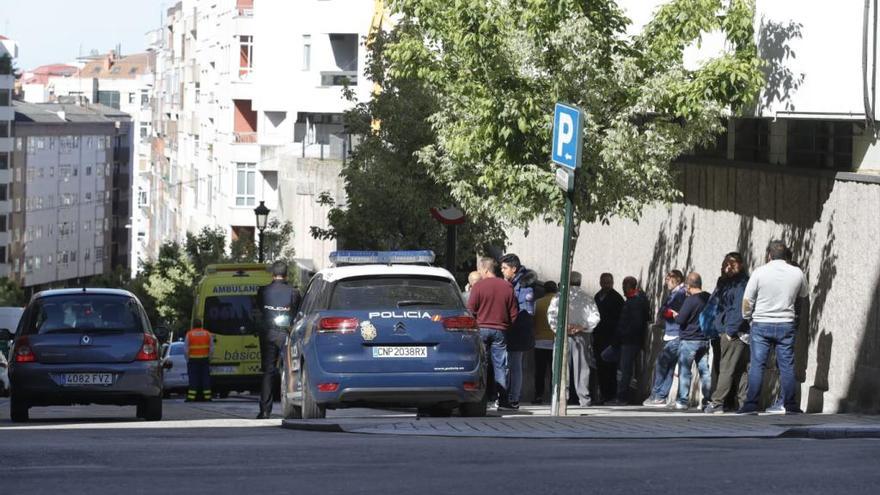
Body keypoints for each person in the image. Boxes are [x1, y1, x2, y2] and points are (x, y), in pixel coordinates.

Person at [738, 241, 808, 415]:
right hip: (786, 323)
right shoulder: (797, 272)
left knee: (757, 365)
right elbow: (803, 295)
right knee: (787, 366)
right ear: (786, 255)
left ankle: (751, 405)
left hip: (761, 323)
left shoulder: (759, 272)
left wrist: (749, 318)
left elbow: (747, 300)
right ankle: (790, 405)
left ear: (769, 255)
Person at [467, 256, 519, 411]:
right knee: (500, 366)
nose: (479, 272)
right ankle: (502, 400)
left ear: (485, 269)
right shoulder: (507, 287)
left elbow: (471, 310)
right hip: (500, 331)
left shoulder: (478, 287)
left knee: (482, 365)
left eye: (480, 269)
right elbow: (514, 313)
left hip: (481, 329)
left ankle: (481, 400)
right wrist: (506, 326)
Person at [703, 252, 751, 414]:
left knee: (727, 368)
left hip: (732, 332)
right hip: (722, 330)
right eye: (726, 264)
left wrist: (730, 330)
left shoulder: (742, 284)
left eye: (733, 264)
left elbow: (740, 308)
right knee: (738, 369)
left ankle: (717, 403)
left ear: (741, 264)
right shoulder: (726, 283)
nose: (728, 267)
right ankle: (742, 402)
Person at [255, 261, 303, 419]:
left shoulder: (262, 291)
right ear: (286, 274)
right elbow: (297, 313)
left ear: (272, 274)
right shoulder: (293, 292)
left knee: (268, 371)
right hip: (286, 334)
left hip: (268, 334)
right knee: (289, 369)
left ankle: (265, 411)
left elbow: (257, 312)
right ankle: (291, 408)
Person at [547, 271, 601, 407]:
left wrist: (561, 328)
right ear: (580, 282)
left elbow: (551, 316)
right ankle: (584, 399)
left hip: (562, 334)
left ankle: (561, 397)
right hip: (581, 335)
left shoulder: (559, 297)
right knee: (582, 367)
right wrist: (581, 327)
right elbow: (595, 317)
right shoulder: (587, 297)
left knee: (560, 366)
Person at [643, 270, 687, 407]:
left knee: (661, 364)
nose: (666, 281)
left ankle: (657, 395)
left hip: (675, 334)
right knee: (668, 367)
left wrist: (665, 312)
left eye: (668, 279)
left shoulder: (679, 294)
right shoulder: (675, 293)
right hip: (672, 334)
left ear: (677, 279)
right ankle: (661, 396)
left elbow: (668, 312)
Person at [499, 254, 537, 410]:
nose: (502, 271)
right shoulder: (512, 283)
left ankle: (514, 398)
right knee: (509, 365)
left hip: (519, 329)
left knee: (515, 365)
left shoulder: (524, 286)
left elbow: (525, 311)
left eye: (504, 268)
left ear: (514, 269)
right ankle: (508, 396)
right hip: (511, 328)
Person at [672, 272, 712, 410]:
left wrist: (675, 315)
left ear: (689, 286)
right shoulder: (709, 297)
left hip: (689, 340)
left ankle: (682, 401)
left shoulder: (690, 300)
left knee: (685, 371)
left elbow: (681, 319)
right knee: (704, 371)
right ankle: (706, 401)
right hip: (704, 339)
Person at [609, 276, 650, 405]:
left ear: (628, 286)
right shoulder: (635, 300)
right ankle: (625, 395)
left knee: (625, 370)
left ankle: (622, 397)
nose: (622, 288)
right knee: (625, 369)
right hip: (630, 340)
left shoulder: (635, 301)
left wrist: (623, 336)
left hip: (630, 341)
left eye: (623, 285)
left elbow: (635, 323)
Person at [594, 273, 624, 403]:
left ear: (612, 283)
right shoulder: (597, 296)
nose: (606, 285)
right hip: (598, 336)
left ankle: (610, 394)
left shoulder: (617, 298)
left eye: (609, 282)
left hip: (611, 337)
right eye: (604, 282)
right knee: (600, 366)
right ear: (600, 282)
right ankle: (603, 393)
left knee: (610, 367)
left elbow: (620, 320)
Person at [531, 281, 558, 404]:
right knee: (554, 371)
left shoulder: (537, 303)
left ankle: (538, 395)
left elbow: (533, 320)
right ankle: (555, 395)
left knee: (540, 372)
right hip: (555, 341)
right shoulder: (559, 303)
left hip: (539, 342)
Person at [184, 319, 213, 402]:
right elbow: (211, 348)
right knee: (205, 378)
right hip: (204, 360)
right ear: (201, 325)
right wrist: (209, 358)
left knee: (193, 379)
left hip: (193, 360)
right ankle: (207, 397)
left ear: (193, 325)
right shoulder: (207, 334)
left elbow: (185, 349)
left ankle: (191, 397)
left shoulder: (189, 334)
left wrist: (187, 359)